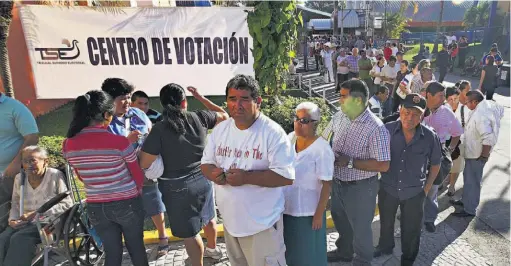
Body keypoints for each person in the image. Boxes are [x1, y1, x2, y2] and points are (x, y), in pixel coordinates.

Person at [201, 75, 295, 266]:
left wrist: (247, 178)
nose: (238, 105)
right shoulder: (221, 130)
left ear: (257, 101)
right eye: (232, 99)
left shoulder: (272, 133)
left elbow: (286, 177)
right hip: (230, 224)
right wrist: (213, 174)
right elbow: (206, 163)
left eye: (244, 99)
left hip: (262, 225)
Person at [139, 84, 228, 265]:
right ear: (184, 101)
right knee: (209, 217)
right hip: (203, 179)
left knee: (190, 234)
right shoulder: (200, 117)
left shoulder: (159, 129)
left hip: (176, 187)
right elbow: (224, 116)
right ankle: (213, 250)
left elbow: (145, 162)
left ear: (163, 104)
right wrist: (201, 97)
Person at [63, 90, 149, 266]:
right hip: (127, 202)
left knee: (112, 254)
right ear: (105, 114)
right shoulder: (119, 142)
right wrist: (137, 190)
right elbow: (137, 175)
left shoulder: (68, 144)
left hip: (95, 205)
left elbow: (80, 175)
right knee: (136, 250)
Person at [323, 79, 391, 265]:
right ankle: (345, 251)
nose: (339, 100)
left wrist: (350, 162)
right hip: (338, 182)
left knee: (361, 230)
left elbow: (383, 165)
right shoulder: (339, 116)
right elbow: (323, 138)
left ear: (358, 100)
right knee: (340, 219)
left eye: (343, 97)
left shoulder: (376, 128)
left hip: (361, 188)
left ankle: (362, 261)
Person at [101, 78, 170, 256]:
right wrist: (127, 142)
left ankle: (163, 237)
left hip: (144, 170)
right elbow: (103, 151)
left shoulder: (138, 114)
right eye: (122, 98)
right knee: (129, 213)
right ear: (109, 99)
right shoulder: (102, 121)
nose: (126, 102)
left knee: (154, 202)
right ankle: (134, 245)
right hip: (120, 175)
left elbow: (151, 134)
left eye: (128, 97)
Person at [374, 94, 441, 266]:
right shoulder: (386, 130)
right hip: (388, 188)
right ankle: (385, 246)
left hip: (414, 192)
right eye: (407, 112)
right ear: (400, 110)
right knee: (386, 222)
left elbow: (435, 164)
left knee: (411, 230)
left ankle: (408, 259)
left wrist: (425, 190)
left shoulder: (429, 136)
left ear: (423, 116)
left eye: (415, 114)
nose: (409, 118)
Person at [0, 146, 72, 265]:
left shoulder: (55, 175)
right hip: (23, 222)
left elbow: (67, 203)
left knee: (19, 239)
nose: (28, 165)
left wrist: (37, 213)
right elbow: (16, 204)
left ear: (45, 161)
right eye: (25, 161)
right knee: (2, 238)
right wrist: (12, 220)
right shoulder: (19, 178)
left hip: (49, 222)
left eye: (33, 160)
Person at [284, 102, 333, 266]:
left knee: (309, 255)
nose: (298, 123)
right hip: (286, 209)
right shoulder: (290, 139)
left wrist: (319, 214)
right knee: (290, 252)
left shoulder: (322, 149)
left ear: (315, 124)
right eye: (296, 119)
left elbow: (327, 184)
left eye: (304, 120)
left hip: (308, 212)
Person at [451, 90, 504, 217]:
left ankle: (469, 209)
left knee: (473, 181)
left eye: (468, 102)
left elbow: (488, 137)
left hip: (477, 155)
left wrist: (484, 156)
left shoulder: (481, 114)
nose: (466, 104)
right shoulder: (482, 107)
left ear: (475, 102)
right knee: (468, 179)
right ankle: (465, 201)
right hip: (473, 153)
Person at [422, 82, 463, 232]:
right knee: (414, 188)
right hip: (417, 156)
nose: (444, 99)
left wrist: (449, 149)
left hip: (436, 157)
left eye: (444, 95)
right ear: (428, 95)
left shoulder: (447, 112)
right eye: (440, 96)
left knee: (432, 190)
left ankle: (429, 219)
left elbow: (457, 133)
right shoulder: (419, 109)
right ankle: (409, 214)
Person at [0, 92, 39, 233]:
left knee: (9, 220)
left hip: (10, 175)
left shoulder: (14, 107)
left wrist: (17, 163)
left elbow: (32, 137)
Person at [445, 86, 464, 196]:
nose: (453, 101)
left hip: (460, 141)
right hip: (446, 140)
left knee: (456, 164)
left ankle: (452, 186)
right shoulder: (443, 109)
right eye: (450, 99)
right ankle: (445, 180)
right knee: (446, 163)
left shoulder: (463, 109)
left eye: (456, 98)